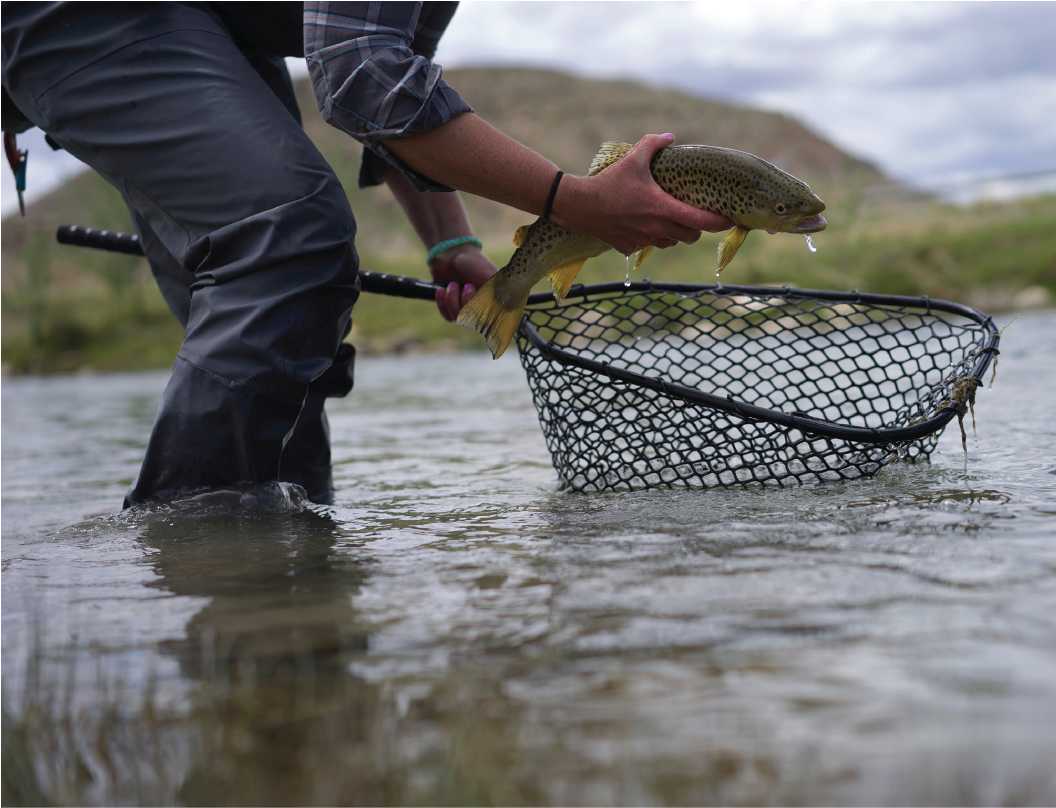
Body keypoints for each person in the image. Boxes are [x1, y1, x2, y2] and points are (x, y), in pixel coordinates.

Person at [1, 1, 732, 505]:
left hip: (204, 24)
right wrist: (571, 200)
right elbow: (361, 81)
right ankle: (199, 551)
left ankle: (286, 596)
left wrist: (449, 241)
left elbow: (394, 80)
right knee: (289, 237)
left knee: (284, 315)